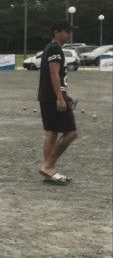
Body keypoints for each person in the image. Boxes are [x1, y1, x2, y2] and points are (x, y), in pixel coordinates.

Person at [37, 20, 78, 185]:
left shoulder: (52, 48)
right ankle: (48, 165)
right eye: (67, 31)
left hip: (50, 97)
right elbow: (54, 74)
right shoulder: (54, 49)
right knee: (71, 133)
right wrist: (60, 98)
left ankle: (49, 169)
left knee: (52, 132)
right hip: (53, 99)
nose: (70, 34)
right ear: (57, 32)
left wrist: (64, 93)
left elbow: (57, 76)